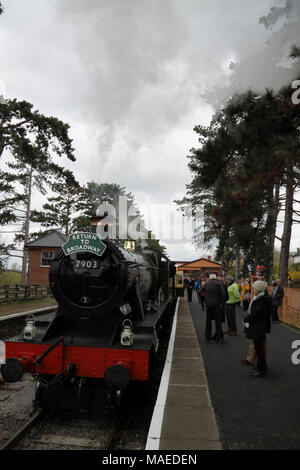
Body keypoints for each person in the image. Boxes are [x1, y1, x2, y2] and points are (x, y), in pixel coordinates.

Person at [243, 280, 272, 377]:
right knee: (258, 348)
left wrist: (246, 319)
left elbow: (255, 314)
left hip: (258, 328)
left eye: (254, 288)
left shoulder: (261, 301)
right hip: (259, 327)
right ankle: (260, 367)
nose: (253, 290)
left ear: (258, 290)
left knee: (260, 350)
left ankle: (261, 370)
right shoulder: (261, 298)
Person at [205, 274, 224, 343]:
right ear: (215, 278)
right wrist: (221, 303)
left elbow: (204, 292)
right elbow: (223, 294)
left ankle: (207, 337)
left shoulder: (207, 284)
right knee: (218, 321)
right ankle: (218, 337)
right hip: (216, 305)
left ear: (210, 278)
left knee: (208, 321)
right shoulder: (219, 284)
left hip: (208, 305)